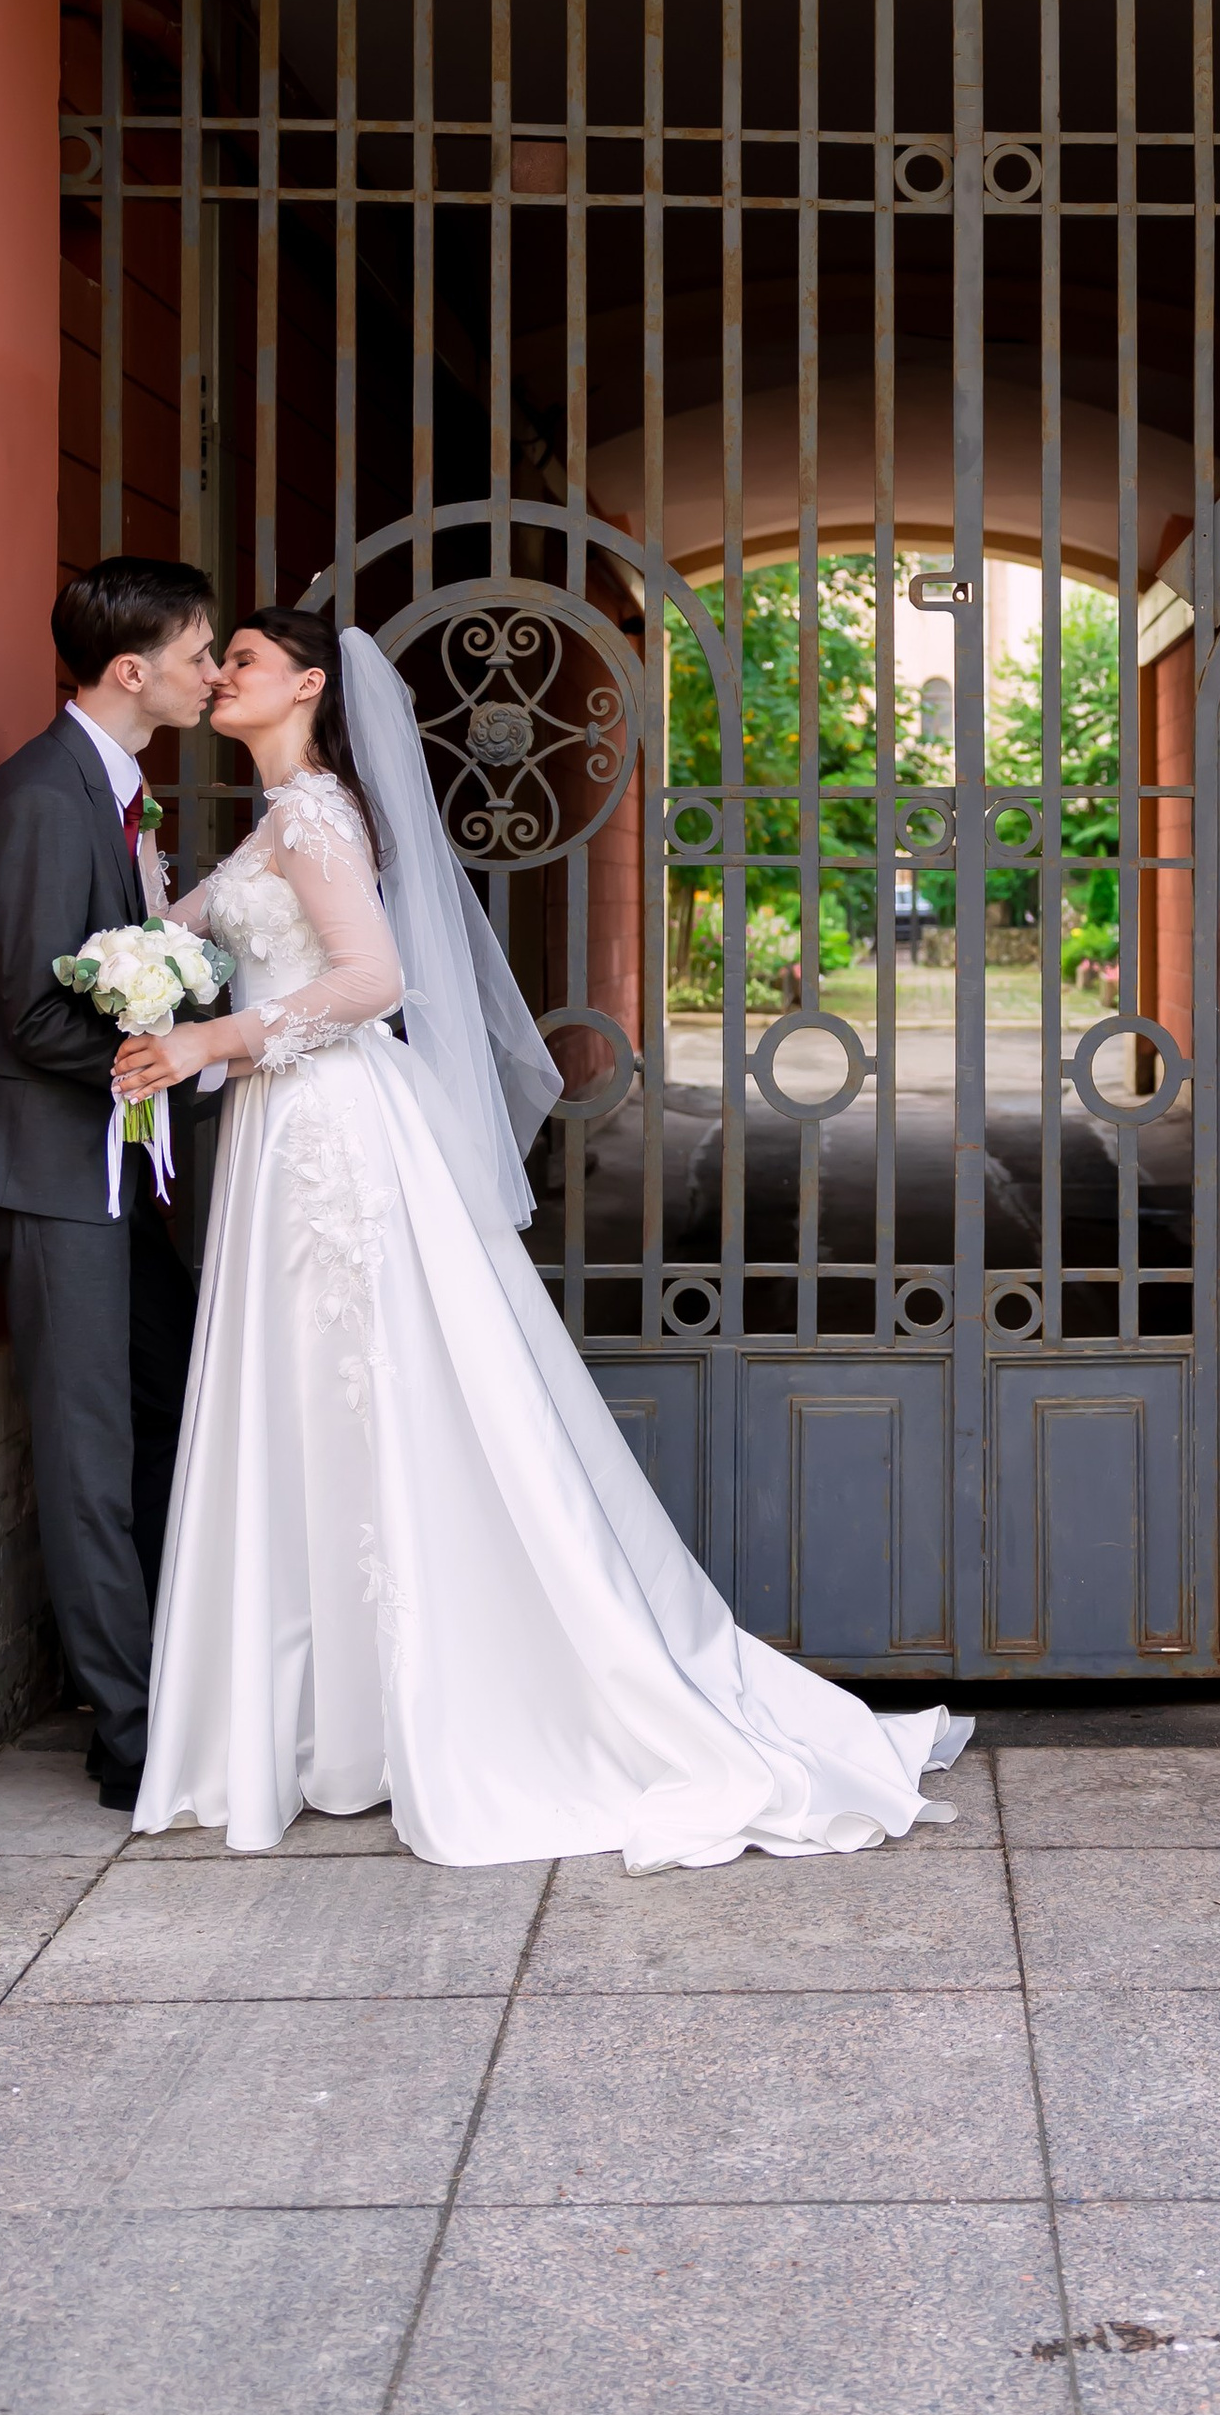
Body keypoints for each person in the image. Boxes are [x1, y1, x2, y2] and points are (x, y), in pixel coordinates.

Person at [110, 607, 970, 1867]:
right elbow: (178, 942)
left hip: (330, 1130)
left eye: (242, 658)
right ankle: (339, 1718)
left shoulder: (311, 817)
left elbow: (372, 981)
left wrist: (209, 1042)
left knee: (376, 1400)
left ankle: (397, 1712)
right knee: (317, 1406)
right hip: (285, 1133)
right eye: (218, 658)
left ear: (305, 684)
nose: (221, 674)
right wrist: (118, 975)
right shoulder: (281, 817)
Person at [0, 557, 222, 1811]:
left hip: (117, 1173)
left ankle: (178, 1671)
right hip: (56, 1178)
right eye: (202, 654)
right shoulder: (48, 800)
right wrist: (176, 1041)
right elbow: (38, 1018)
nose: (213, 673)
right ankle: (130, 1736)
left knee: (167, 1407)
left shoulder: (119, 798)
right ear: (132, 669)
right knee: (91, 1452)